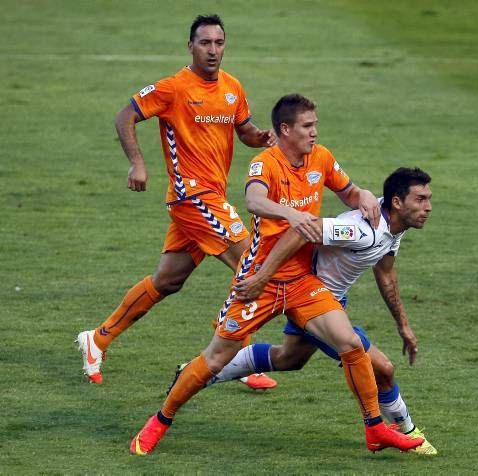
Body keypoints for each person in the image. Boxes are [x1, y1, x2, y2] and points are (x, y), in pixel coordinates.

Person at [129, 93, 424, 456]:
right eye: (307, 126)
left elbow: (347, 192)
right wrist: (289, 214)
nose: (315, 133)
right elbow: (253, 200)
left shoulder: (322, 158)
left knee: (349, 344)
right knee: (216, 358)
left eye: (315, 125)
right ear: (285, 130)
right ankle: (160, 420)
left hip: (302, 280)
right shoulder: (265, 163)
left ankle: (375, 428)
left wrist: (362, 193)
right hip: (259, 279)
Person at [75, 14, 276, 390]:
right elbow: (125, 116)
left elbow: (244, 130)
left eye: (218, 43)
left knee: (168, 280)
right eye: (205, 43)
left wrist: (261, 137)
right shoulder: (174, 88)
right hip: (191, 196)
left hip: (210, 198)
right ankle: (234, 358)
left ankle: (97, 338)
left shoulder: (232, 87)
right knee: (252, 263)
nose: (212, 50)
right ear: (191, 46)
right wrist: (138, 163)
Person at [202, 167, 437, 455]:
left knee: (289, 358)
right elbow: (302, 231)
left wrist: (404, 325)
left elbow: (386, 272)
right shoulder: (361, 229)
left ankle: (203, 372)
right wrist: (263, 277)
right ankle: (410, 433)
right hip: (312, 302)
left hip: (331, 301)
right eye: (420, 199)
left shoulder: (393, 225)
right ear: (398, 202)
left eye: (428, 199)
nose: (428, 207)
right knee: (383, 368)